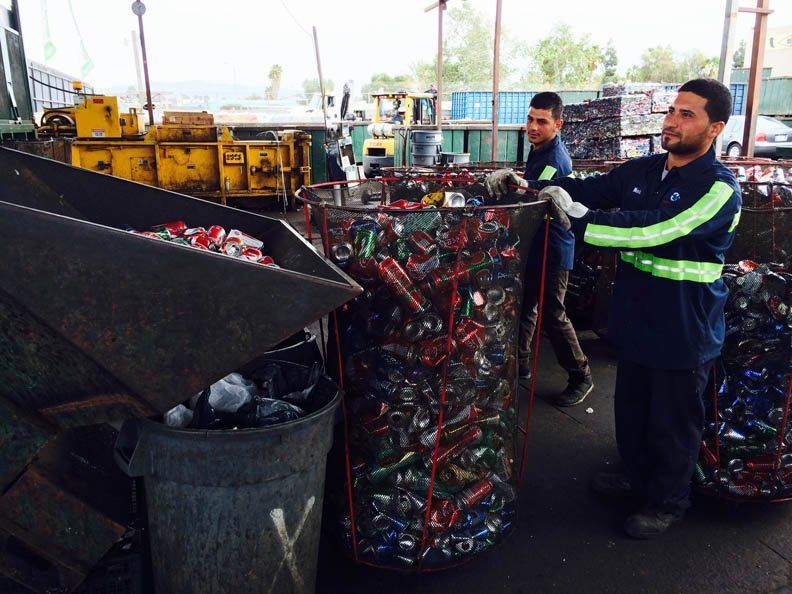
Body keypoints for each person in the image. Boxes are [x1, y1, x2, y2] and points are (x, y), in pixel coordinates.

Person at [488, 79, 741, 539]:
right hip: (638, 316)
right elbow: (591, 187)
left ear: (715, 128)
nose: (671, 121)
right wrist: (526, 184)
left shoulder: (719, 190)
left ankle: (667, 501)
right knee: (633, 410)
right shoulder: (645, 170)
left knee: (673, 421)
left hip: (684, 327)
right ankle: (636, 477)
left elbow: (655, 230)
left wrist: (579, 219)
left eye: (687, 114)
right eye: (672, 110)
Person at [485, 92, 593, 407]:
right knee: (525, 303)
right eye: (530, 119)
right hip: (535, 242)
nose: (533, 126)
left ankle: (580, 374)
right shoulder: (539, 150)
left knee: (552, 313)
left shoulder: (555, 158)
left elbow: (533, 193)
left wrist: (513, 183)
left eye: (541, 121)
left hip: (554, 248)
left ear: (558, 124)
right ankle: (519, 364)